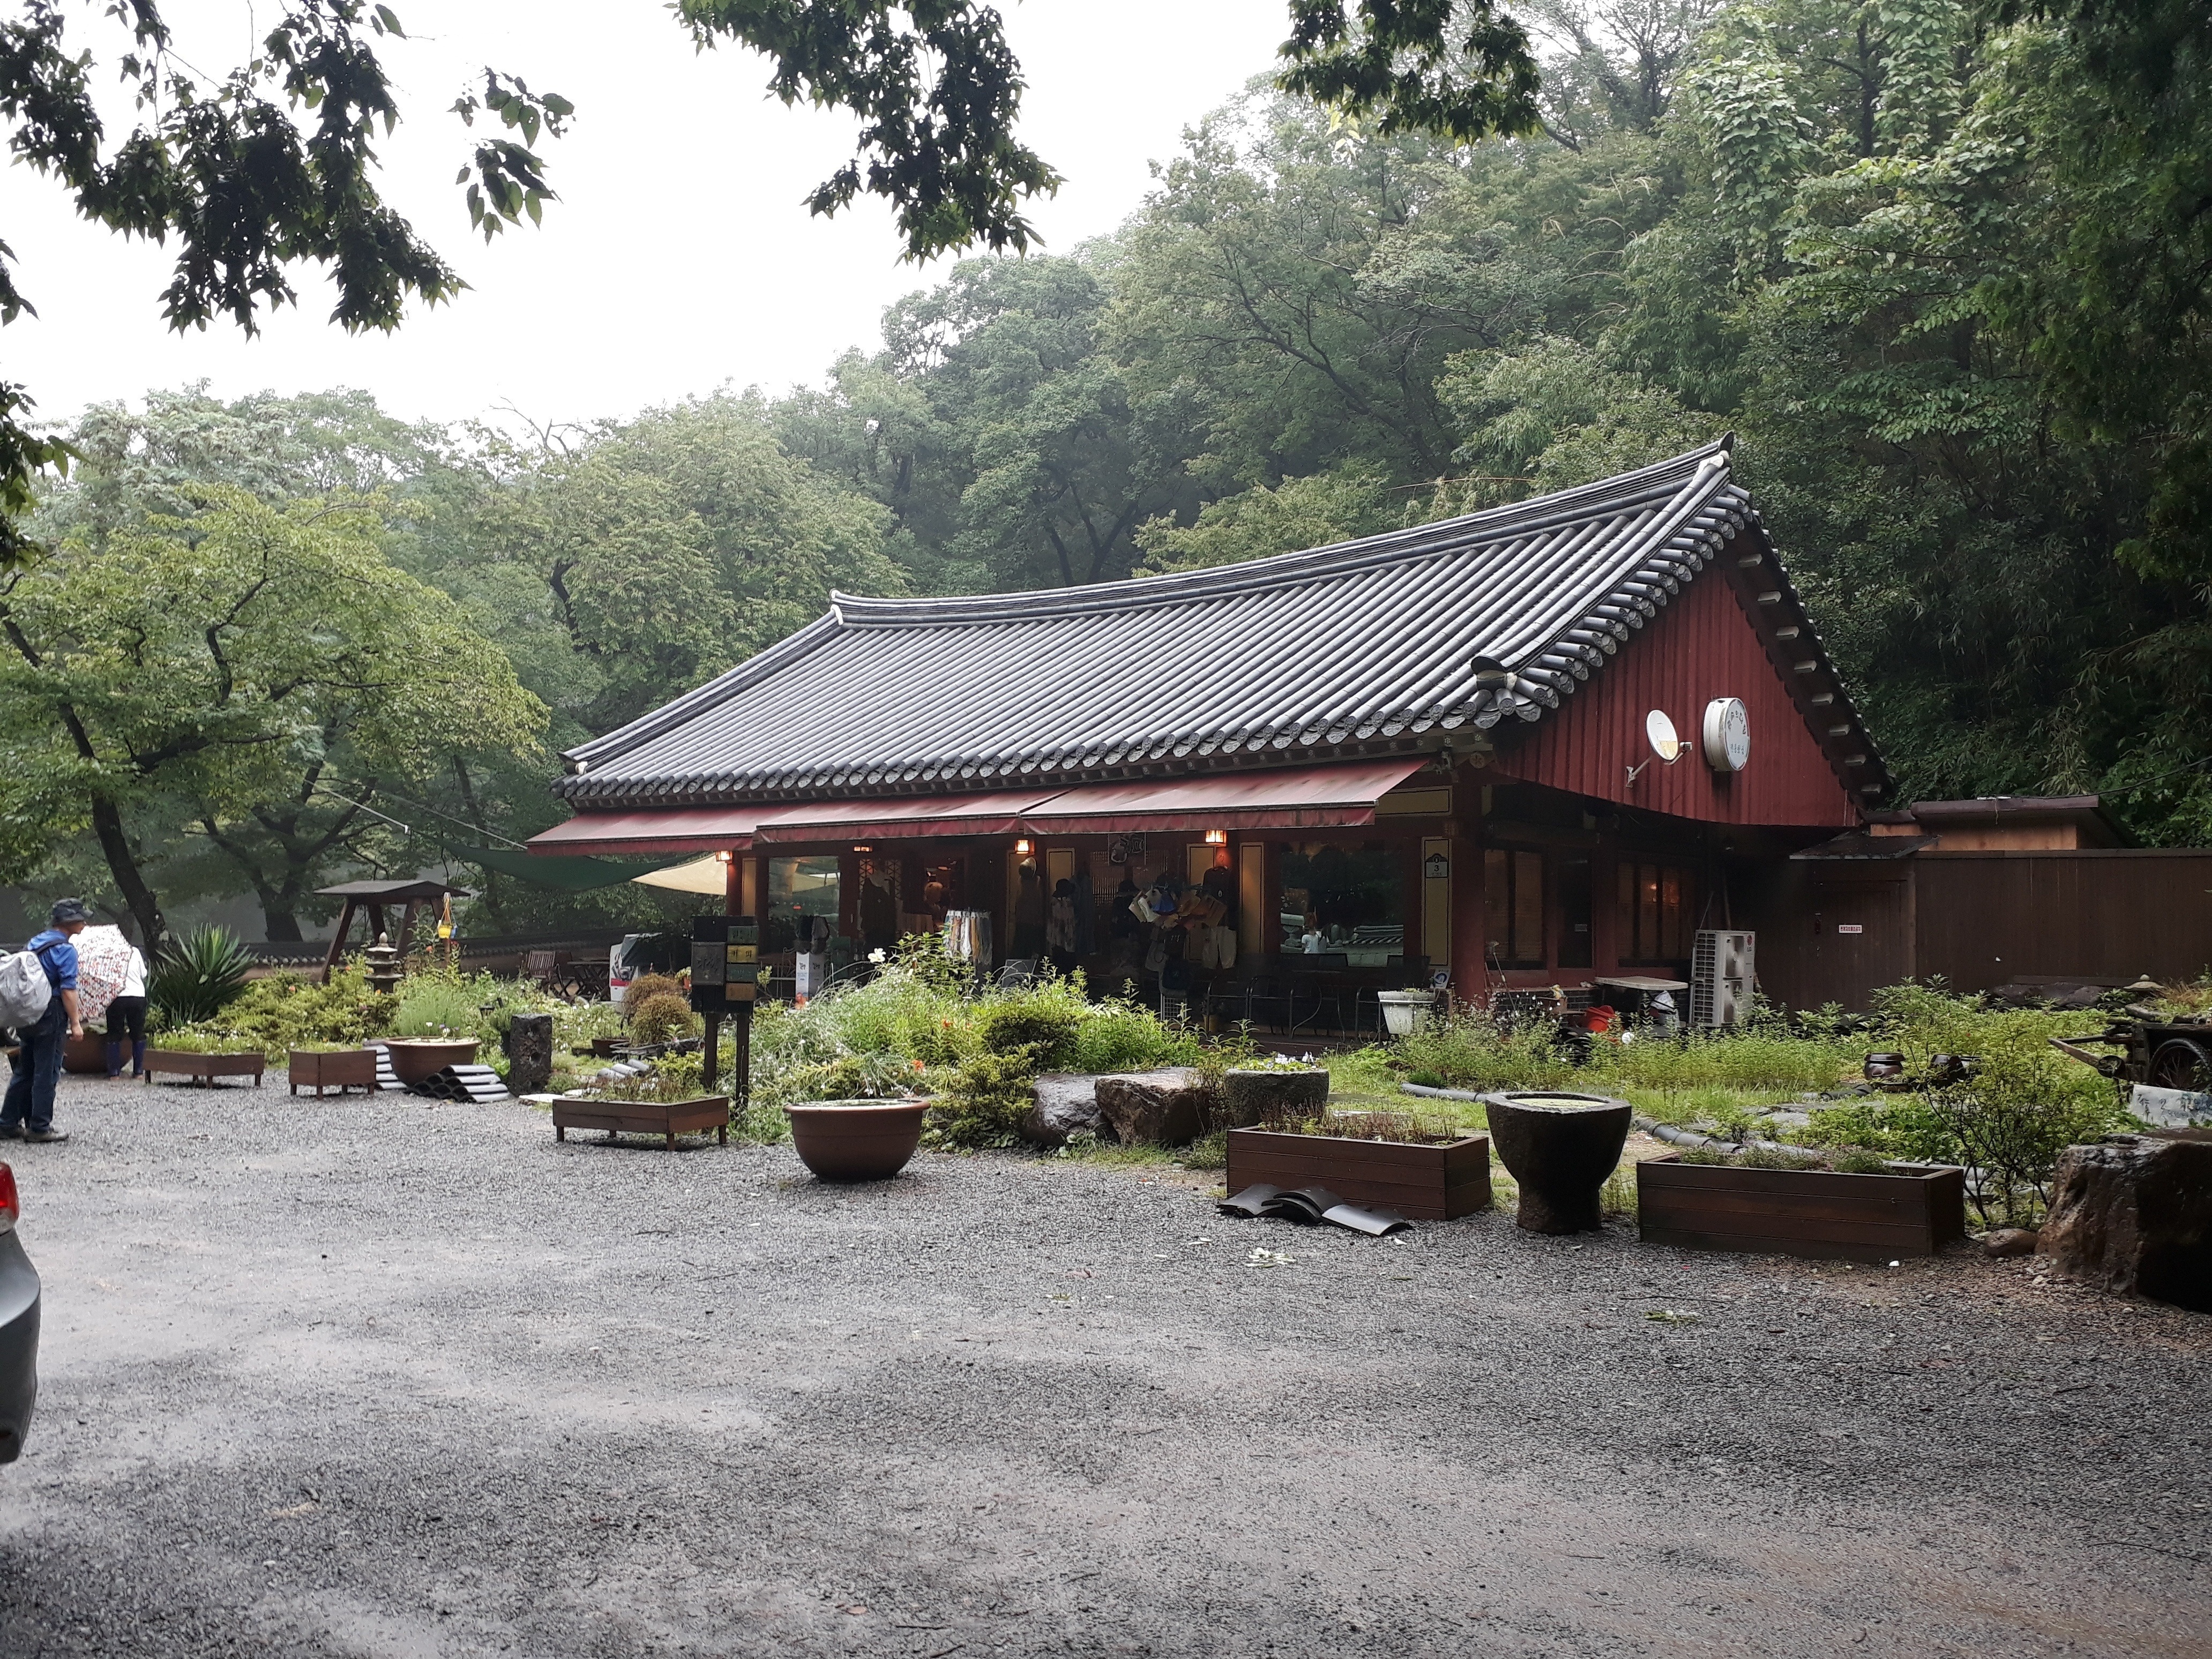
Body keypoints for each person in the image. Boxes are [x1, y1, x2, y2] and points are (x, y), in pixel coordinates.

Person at [2, 898, 88, 1143]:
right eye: (80, 918)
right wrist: (75, 1023)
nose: (84, 922)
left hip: (28, 1011)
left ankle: (7, 1123)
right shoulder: (65, 949)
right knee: (47, 1071)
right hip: (50, 1013)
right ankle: (39, 1127)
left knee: (25, 1070)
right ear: (67, 922)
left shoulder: (36, 941)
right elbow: (68, 990)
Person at [103, 934, 149, 1079]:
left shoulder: (106, 954)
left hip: (117, 997)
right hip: (137, 996)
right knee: (138, 1032)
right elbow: (144, 973)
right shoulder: (134, 951)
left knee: (114, 1034)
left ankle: (114, 1073)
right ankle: (139, 1072)